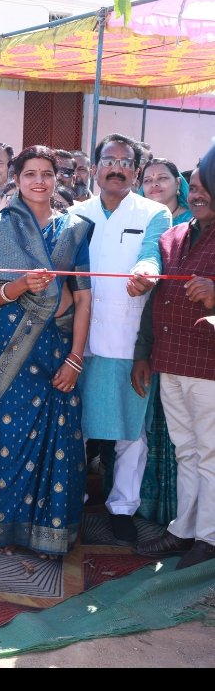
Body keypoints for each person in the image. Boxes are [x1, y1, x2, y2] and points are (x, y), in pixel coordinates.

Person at [0, 145, 93, 558]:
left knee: (58, 439)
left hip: (59, 348)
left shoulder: (74, 228)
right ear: (17, 178)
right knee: (9, 437)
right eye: (30, 173)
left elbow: (84, 297)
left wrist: (76, 358)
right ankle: (5, 530)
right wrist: (20, 286)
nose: (39, 181)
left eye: (47, 173)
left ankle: (50, 533)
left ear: (58, 178)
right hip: (14, 349)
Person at [72, 133, 171, 546]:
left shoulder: (154, 213)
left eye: (125, 162)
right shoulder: (75, 214)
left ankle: (123, 508)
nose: (117, 168)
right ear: (95, 168)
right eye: (109, 161)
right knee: (75, 428)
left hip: (130, 340)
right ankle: (70, 504)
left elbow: (152, 254)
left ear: (136, 170)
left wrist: (146, 272)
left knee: (132, 432)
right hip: (79, 341)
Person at [135, 150, 215, 569]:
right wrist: (143, 354)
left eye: (205, 187)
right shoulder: (174, 236)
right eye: (194, 187)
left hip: (208, 366)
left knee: (211, 454)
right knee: (186, 450)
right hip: (169, 361)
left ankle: (208, 538)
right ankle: (184, 530)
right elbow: (156, 301)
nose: (197, 194)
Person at [133, 158, 192, 524]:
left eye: (163, 178)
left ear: (178, 184)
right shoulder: (143, 220)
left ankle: (181, 517)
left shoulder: (193, 226)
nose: (154, 184)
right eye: (148, 179)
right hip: (146, 332)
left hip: (186, 341)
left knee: (184, 437)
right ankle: (148, 509)